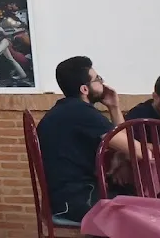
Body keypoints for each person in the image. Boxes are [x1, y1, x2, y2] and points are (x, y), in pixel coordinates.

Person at [37, 56, 142, 223]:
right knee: (143, 209)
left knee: (131, 198)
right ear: (85, 89)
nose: (103, 83)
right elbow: (136, 150)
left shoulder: (65, 109)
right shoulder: (81, 112)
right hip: (77, 201)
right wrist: (115, 107)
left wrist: (113, 107)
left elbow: (124, 144)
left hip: (63, 199)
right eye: (98, 79)